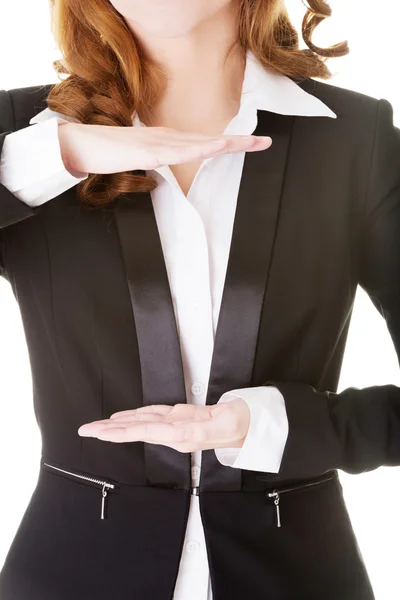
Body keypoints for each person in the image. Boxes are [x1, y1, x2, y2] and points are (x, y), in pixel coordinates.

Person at [0, 0, 398, 598]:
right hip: (69, 574)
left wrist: (271, 427)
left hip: (301, 576)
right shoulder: (23, 137)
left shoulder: (355, 141)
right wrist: (62, 156)